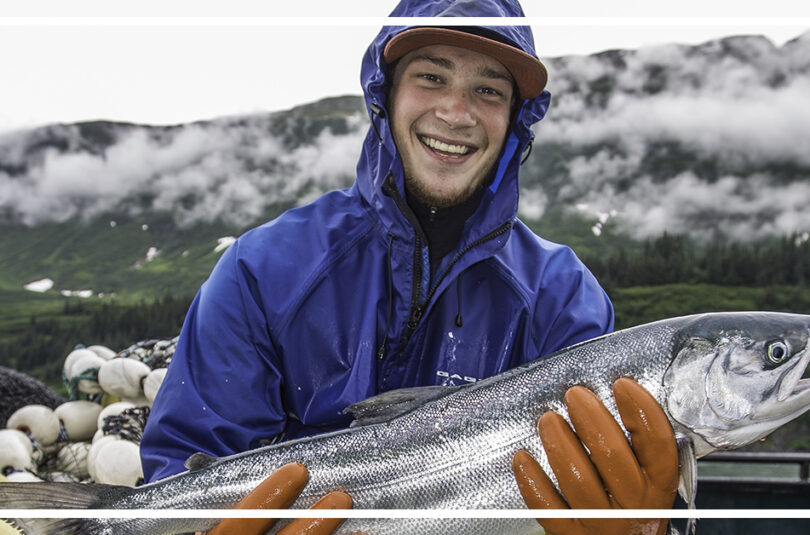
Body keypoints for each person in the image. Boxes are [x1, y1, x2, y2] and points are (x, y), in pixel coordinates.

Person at [141, 0, 679, 533]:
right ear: (386, 93)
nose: (456, 113)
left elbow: (616, 471)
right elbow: (187, 461)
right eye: (431, 77)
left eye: (488, 90)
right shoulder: (261, 270)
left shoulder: (563, 299)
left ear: (515, 118)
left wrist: (648, 529)